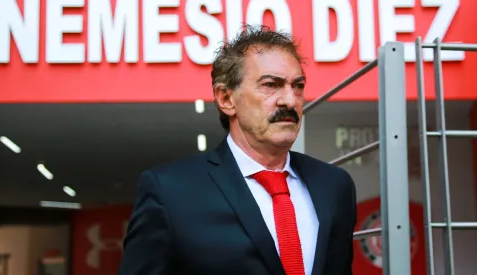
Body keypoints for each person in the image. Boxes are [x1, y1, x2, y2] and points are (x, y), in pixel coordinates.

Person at [118, 25, 357, 275]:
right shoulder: (169, 191)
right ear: (226, 99)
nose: (289, 99)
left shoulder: (334, 186)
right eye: (271, 85)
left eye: (298, 86)